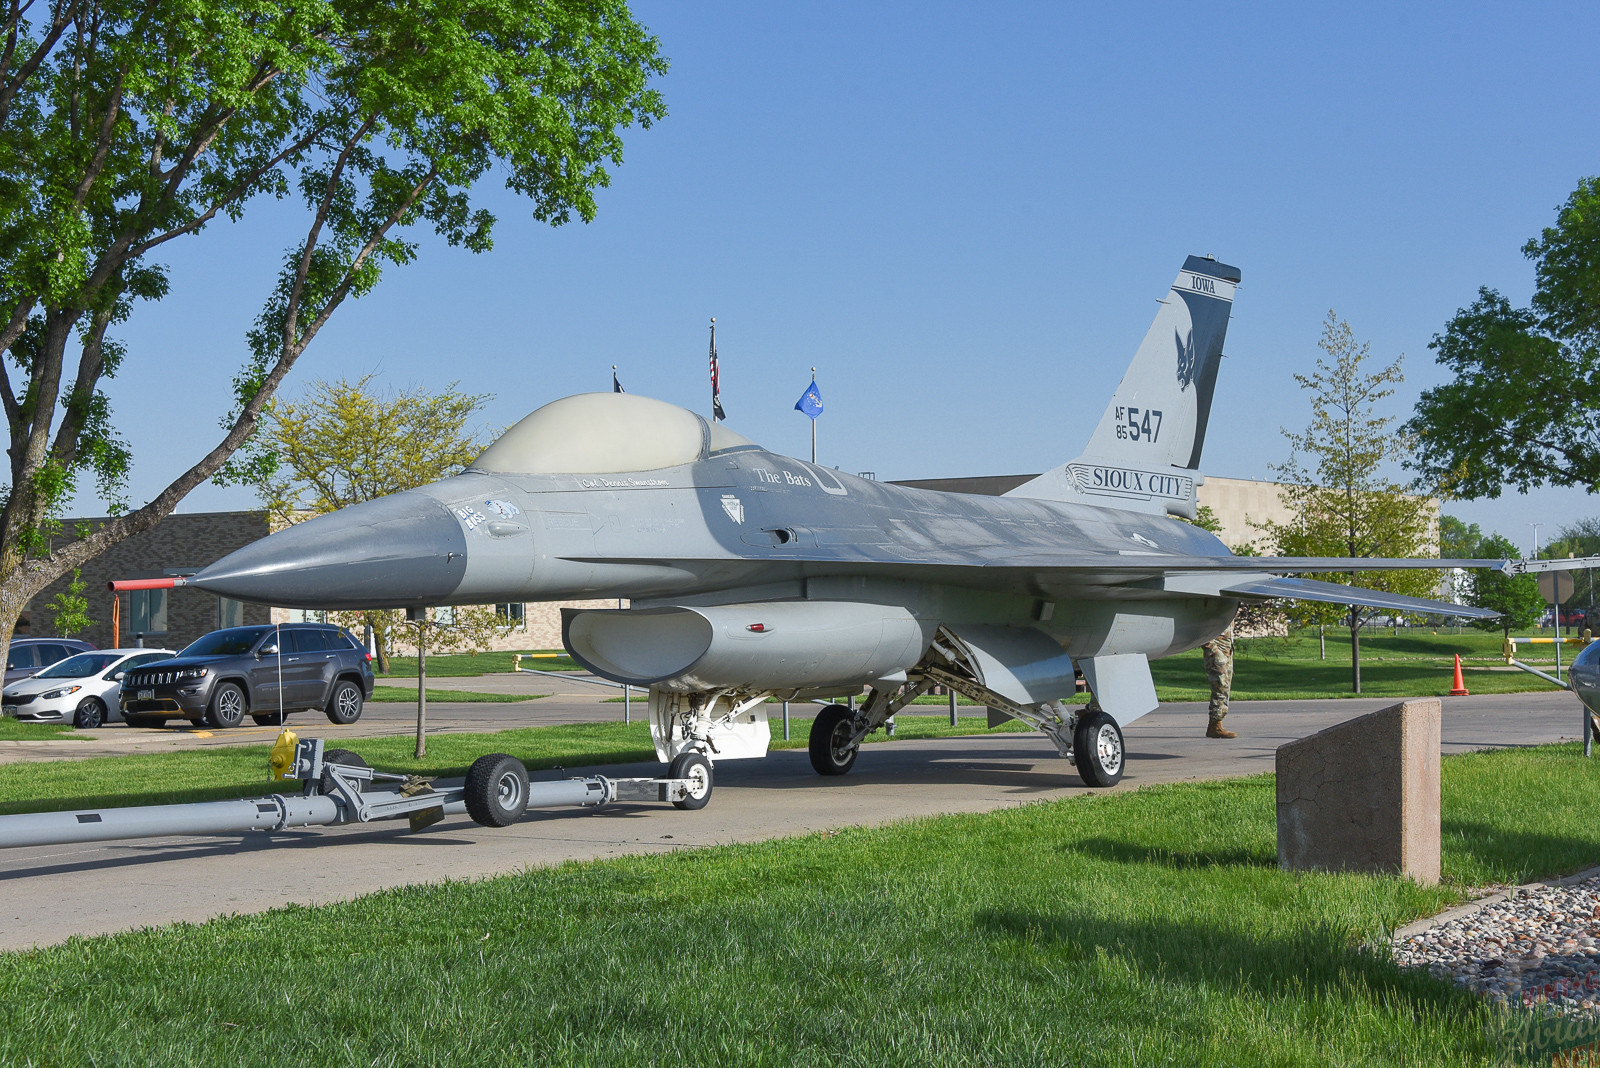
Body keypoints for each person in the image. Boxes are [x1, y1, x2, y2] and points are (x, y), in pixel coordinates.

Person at [1201, 622, 1236, 738]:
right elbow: (1201, 625)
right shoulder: (1208, 605)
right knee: (1219, 684)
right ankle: (1215, 725)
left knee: (1224, 685)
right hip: (1216, 650)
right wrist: (1212, 648)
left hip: (1226, 648)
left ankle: (1217, 723)